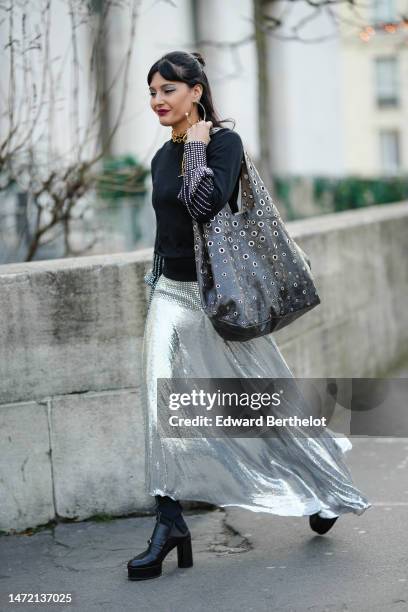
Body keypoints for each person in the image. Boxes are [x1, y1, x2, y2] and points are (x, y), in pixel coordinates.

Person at [127, 50, 372, 581]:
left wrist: (196, 150)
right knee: (158, 408)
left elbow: (204, 206)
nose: (157, 101)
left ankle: (322, 482)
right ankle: (168, 521)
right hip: (169, 295)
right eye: (151, 92)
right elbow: (166, 230)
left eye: (168, 90)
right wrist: (154, 285)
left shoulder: (224, 145)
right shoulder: (158, 159)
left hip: (219, 301)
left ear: (196, 91)